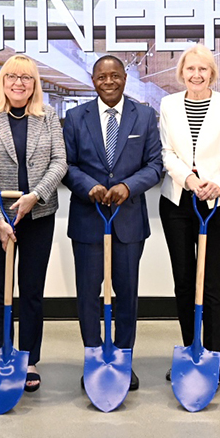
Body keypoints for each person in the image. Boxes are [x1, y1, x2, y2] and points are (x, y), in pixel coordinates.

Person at [62, 55, 163, 392]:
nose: (109, 81)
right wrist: (87, 186)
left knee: (127, 294)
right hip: (88, 220)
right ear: (93, 81)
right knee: (88, 295)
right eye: (102, 76)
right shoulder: (75, 117)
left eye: (115, 76)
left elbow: (154, 165)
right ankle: (93, 358)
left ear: (125, 78)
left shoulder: (145, 115)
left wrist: (127, 186)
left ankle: (122, 359)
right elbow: (67, 165)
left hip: (128, 221)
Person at [0, 54, 67, 394]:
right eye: (12, 76)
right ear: (2, 81)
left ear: (34, 84)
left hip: (38, 215)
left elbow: (60, 161)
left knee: (31, 293)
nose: (18, 83)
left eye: (26, 78)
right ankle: (0, 353)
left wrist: (35, 197)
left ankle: (29, 358)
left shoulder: (48, 116)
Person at [158, 44, 220, 376]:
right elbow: (166, 153)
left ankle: (213, 357)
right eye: (190, 69)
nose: (196, 75)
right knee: (183, 280)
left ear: (212, 73)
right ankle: (190, 350)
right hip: (178, 202)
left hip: (217, 204)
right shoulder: (168, 105)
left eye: (203, 69)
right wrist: (190, 181)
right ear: (182, 72)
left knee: (210, 282)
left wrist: (217, 184)